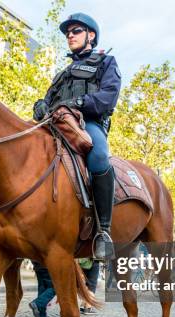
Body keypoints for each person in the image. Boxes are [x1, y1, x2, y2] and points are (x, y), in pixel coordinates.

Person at [33, 13, 121, 260]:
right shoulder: (62, 73)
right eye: (67, 32)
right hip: (54, 124)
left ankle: (103, 233)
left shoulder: (106, 61)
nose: (69, 35)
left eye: (76, 31)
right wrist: (40, 104)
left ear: (90, 35)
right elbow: (48, 98)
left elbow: (109, 96)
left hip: (87, 123)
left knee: (100, 157)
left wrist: (81, 102)